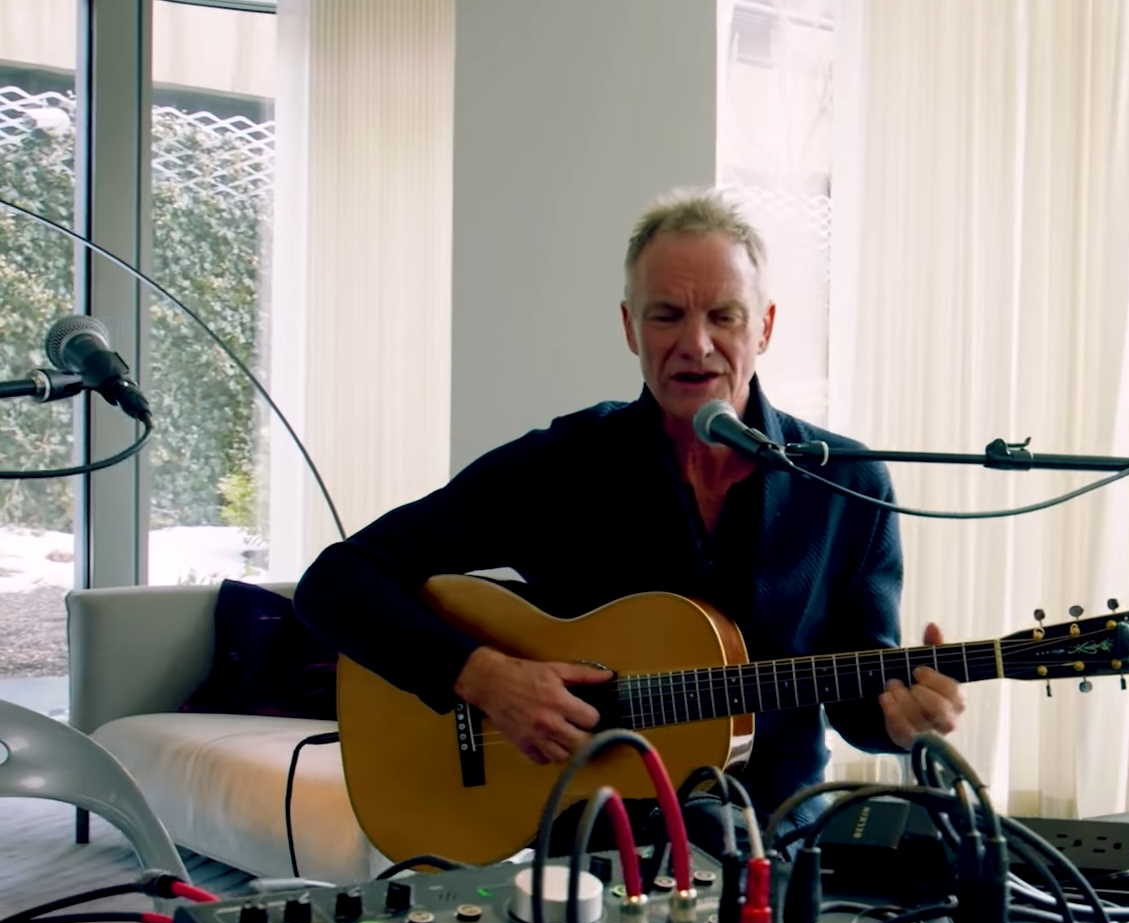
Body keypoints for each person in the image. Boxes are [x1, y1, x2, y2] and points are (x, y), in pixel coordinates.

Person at [294, 189, 965, 833]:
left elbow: (860, 688)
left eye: (723, 316)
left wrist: (901, 721)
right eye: (666, 314)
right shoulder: (561, 464)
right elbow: (334, 583)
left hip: (774, 837)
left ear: (763, 326)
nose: (695, 344)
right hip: (584, 836)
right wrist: (485, 677)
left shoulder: (845, 482)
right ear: (628, 326)